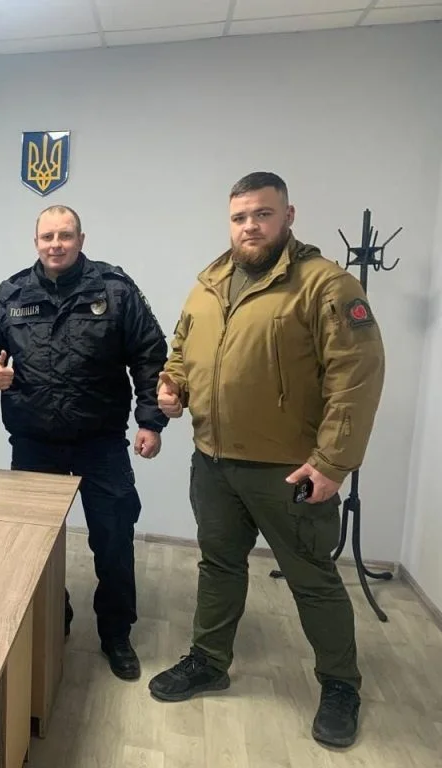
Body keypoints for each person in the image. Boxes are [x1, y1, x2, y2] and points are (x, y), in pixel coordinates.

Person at [147, 172, 386, 749]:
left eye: (262, 214)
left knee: (312, 579)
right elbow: (181, 352)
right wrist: (172, 388)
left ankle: (340, 685)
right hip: (214, 463)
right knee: (218, 566)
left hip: (290, 470)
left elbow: (356, 377)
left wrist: (332, 463)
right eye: (239, 217)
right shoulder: (208, 284)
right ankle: (209, 660)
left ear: (288, 216)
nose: (250, 226)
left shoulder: (326, 285)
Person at [0, 204, 168, 681]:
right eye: (47, 236)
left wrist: (151, 421)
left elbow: (149, 355)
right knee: (34, 544)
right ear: (35, 241)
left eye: (65, 235)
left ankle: (115, 633)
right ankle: (53, 616)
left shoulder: (114, 290)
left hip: (100, 442)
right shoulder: (13, 293)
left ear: (80, 239)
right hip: (34, 441)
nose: (55, 244)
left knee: (114, 540)